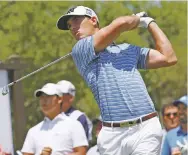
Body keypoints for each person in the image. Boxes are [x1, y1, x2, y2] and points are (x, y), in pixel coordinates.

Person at [56, 6, 177, 155]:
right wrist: (138, 20)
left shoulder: (128, 49)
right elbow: (120, 24)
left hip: (145, 127)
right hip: (112, 135)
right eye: (69, 25)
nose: (72, 27)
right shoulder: (80, 50)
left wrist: (150, 23)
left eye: (76, 20)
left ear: (93, 20)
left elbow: (169, 57)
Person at [21, 83, 88, 155]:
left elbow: (81, 153)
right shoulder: (33, 131)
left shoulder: (74, 125)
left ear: (60, 99)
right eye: (41, 97)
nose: (43, 100)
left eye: (48, 96)